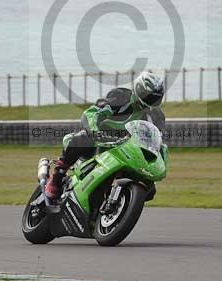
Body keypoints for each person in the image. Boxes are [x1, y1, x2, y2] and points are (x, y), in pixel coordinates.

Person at [44, 71, 166, 200]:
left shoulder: (156, 116)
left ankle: (117, 201)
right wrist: (94, 131)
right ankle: (57, 177)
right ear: (139, 89)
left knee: (150, 189)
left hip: (127, 148)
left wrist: (158, 163)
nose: (151, 100)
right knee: (83, 139)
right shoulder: (121, 97)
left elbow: (159, 142)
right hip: (101, 139)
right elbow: (92, 113)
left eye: (155, 98)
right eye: (149, 96)